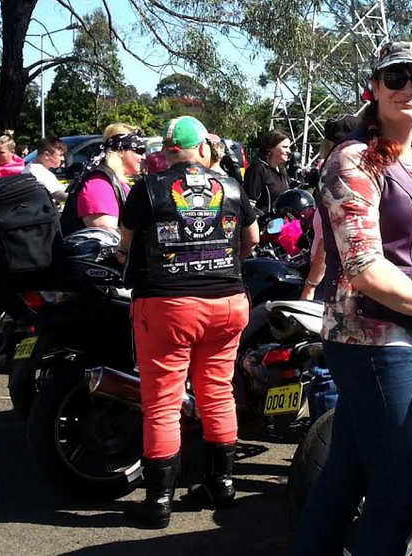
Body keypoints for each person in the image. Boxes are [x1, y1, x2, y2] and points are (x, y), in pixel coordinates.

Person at [293, 41, 412, 556]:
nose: (408, 90)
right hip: (370, 338)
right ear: (372, 88)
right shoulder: (353, 159)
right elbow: (365, 267)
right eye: (396, 78)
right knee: (398, 489)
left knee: (343, 477)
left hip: (399, 335)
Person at [119, 115, 260, 529]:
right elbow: (251, 240)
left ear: (167, 151)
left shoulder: (147, 188)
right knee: (217, 392)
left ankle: (158, 500)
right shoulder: (232, 185)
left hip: (168, 304)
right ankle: (223, 484)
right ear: (202, 148)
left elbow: (124, 245)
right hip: (228, 301)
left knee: (162, 401)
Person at [301, 114, 362, 302]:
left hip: (337, 274)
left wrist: (310, 285)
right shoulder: (330, 169)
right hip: (346, 271)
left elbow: (330, 239)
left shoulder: (337, 174)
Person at [60, 123, 145, 234]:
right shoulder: (99, 184)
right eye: (139, 151)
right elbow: (107, 241)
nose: (144, 157)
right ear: (120, 151)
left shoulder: (118, 180)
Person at [245, 130, 291, 213]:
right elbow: (249, 205)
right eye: (285, 147)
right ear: (270, 148)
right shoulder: (258, 169)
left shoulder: (282, 170)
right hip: (262, 224)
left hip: (281, 223)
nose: (289, 151)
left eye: (289, 147)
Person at [22, 137, 68, 202]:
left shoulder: (31, 166)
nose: (63, 159)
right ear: (46, 155)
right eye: (60, 155)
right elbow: (61, 196)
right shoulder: (40, 173)